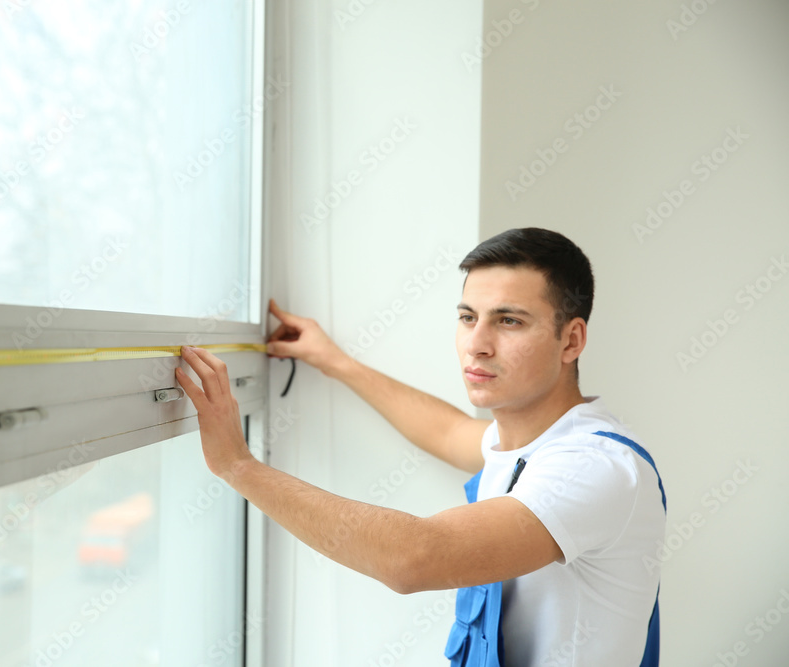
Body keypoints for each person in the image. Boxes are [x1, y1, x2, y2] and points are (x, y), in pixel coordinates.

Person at [174, 227, 666, 666]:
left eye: (509, 321)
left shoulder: (595, 466)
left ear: (571, 340)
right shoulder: (528, 443)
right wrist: (334, 361)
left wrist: (237, 466)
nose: (477, 343)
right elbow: (450, 432)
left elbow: (416, 558)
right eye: (468, 317)